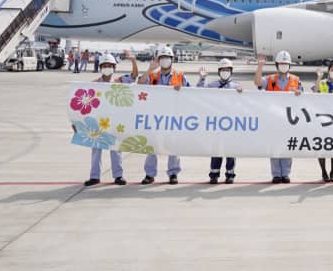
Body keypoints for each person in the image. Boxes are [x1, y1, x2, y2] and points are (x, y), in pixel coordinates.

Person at [83, 51, 138, 186]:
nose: (107, 67)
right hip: (97, 121)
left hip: (114, 121)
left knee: (116, 148)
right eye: (105, 65)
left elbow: (134, 76)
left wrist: (133, 61)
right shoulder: (94, 84)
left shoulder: (119, 81)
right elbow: (85, 104)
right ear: (101, 67)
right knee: (96, 149)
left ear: (114, 67)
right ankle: (94, 176)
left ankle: (118, 176)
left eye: (110, 65)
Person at [138, 45, 188, 185]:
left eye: (167, 58)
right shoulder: (153, 75)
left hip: (173, 116)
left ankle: (173, 173)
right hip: (156, 116)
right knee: (152, 146)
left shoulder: (180, 75)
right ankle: (149, 174)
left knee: (173, 146)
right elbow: (140, 84)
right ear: (158, 60)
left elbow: (191, 93)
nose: (165, 60)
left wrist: (182, 90)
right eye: (162, 58)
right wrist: (149, 69)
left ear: (172, 60)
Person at [254, 50, 302, 183]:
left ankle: (285, 173)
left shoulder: (296, 80)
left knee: (287, 147)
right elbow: (257, 83)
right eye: (281, 63)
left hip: (289, 119)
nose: (284, 66)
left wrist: (298, 93)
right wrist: (260, 66)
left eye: (286, 63)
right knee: (274, 146)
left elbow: (304, 97)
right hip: (273, 118)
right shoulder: (270, 79)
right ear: (276, 65)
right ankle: (276, 174)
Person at [198, 58, 243, 184]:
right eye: (223, 70)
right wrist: (202, 79)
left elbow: (243, 104)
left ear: (231, 71)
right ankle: (214, 173)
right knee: (216, 149)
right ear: (219, 71)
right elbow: (197, 93)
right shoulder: (212, 85)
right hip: (217, 123)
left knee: (230, 150)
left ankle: (230, 174)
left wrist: (241, 93)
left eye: (227, 70)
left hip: (231, 123)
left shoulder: (236, 86)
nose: (225, 72)